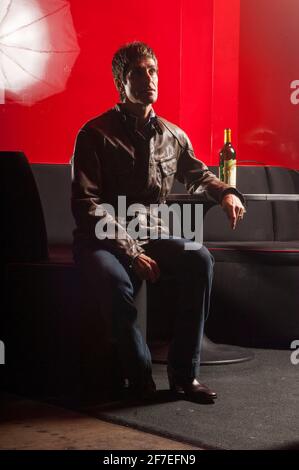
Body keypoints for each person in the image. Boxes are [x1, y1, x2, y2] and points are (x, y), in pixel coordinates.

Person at [71, 41, 245, 402]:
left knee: (199, 258)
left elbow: (198, 175)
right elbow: (86, 204)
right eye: (138, 71)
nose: (148, 77)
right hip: (101, 237)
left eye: (153, 70)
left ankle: (184, 375)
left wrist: (227, 192)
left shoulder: (173, 135)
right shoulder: (93, 134)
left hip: (151, 233)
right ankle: (139, 377)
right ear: (122, 81)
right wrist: (131, 251)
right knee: (118, 284)